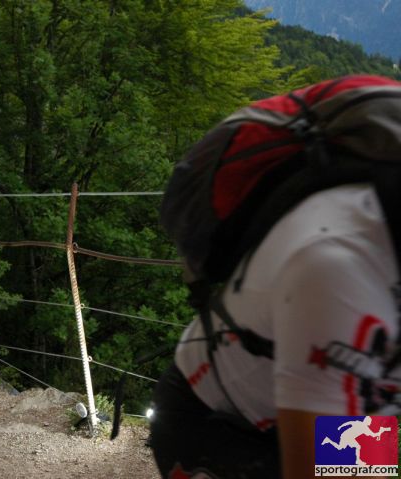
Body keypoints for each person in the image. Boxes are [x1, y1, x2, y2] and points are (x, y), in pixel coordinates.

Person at [150, 184, 399, 478]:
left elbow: (367, 430)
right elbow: (340, 462)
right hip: (210, 419)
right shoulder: (341, 272)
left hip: (285, 413)